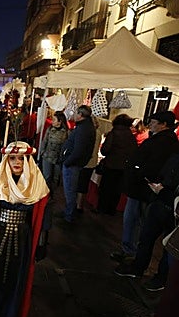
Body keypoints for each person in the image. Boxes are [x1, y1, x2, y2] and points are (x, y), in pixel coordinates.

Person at [0, 141, 49, 317]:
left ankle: (8, 315)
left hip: (22, 237)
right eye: (12, 158)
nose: (17, 162)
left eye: (21, 158)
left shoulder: (37, 182)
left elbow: (43, 215)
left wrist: (42, 242)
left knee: (15, 277)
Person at [112, 111, 179, 262]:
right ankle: (132, 250)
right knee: (137, 220)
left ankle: (130, 250)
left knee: (134, 219)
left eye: (154, 122)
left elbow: (153, 165)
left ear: (163, 125)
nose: (150, 124)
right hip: (144, 186)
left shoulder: (163, 142)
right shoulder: (164, 140)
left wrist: (138, 172)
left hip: (144, 187)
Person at [60, 105, 96, 223]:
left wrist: (67, 162)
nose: (74, 115)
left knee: (70, 190)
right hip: (75, 163)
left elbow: (78, 150)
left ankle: (69, 215)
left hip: (73, 164)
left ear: (80, 115)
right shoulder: (85, 127)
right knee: (71, 189)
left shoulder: (83, 129)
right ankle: (68, 211)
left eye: (75, 113)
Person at [96, 114, 137, 215]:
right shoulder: (131, 136)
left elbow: (105, 150)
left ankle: (101, 208)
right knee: (117, 190)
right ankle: (111, 210)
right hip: (123, 167)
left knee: (106, 188)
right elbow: (134, 151)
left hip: (111, 165)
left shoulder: (113, 133)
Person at [40, 111, 68, 193]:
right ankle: (45, 193)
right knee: (47, 176)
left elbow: (66, 146)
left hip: (58, 158)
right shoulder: (49, 129)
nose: (52, 121)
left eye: (54, 119)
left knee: (56, 178)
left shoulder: (66, 132)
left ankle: (53, 193)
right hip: (47, 156)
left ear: (60, 121)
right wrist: (42, 152)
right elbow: (44, 141)